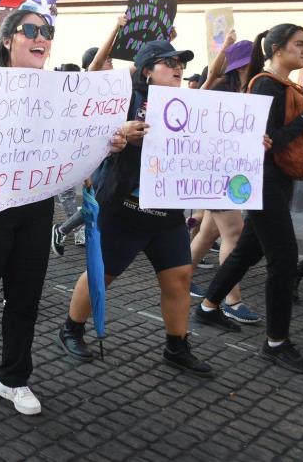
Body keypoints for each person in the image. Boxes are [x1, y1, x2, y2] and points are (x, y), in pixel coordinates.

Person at [0, 8, 126, 416]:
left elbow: (76, 138)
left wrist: (108, 143)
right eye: (31, 30)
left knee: (26, 294)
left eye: (47, 31)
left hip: (35, 198)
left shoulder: (57, 87)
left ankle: (14, 378)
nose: (41, 38)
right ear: (8, 40)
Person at [60, 40, 213, 377]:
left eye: (181, 64)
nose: (178, 68)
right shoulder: (123, 99)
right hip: (125, 208)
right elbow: (88, 135)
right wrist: (121, 132)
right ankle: (72, 328)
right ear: (147, 70)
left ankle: (177, 346)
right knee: (103, 275)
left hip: (167, 210)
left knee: (180, 277)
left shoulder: (191, 104)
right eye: (168, 62)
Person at [194, 24, 303, 375]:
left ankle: (207, 308)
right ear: (277, 49)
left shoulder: (285, 85)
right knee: (284, 258)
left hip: (277, 182)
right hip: (263, 182)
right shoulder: (265, 84)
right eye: (298, 44)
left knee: (250, 249)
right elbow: (267, 141)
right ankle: (276, 343)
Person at [188, 31, 260, 323]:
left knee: (210, 232)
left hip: (230, 172)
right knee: (234, 233)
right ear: (244, 65)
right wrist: (226, 48)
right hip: (217, 172)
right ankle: (231, 299)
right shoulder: (221, 90)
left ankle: (182, 273)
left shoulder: (251, 90)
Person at [51, 18, 127, 257]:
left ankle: (66, 229)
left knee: (97, 199)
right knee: (73, 193)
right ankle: (68, 229)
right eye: (108, 59)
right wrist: (115, 29)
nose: (112, 63)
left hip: (103, 151)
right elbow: (95, 64)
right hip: (76, 148)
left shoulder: (114, 85)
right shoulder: (87, 83)